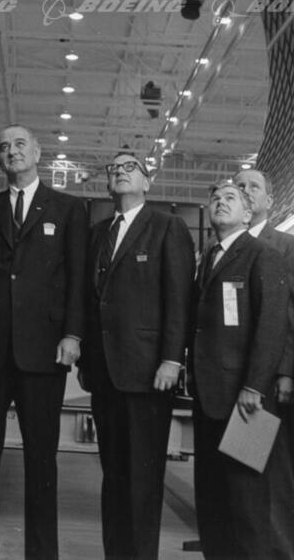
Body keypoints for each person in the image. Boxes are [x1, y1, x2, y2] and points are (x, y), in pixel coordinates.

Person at [0, 123, 87, 560]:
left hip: (44, 353)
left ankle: (43, 553)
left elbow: (78, 279)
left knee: (42, 460)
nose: (12, 151)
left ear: (38, 152)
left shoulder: (68, 209)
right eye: (4, 147)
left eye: (20, 144)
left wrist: (72, 333)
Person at [78, 153, 194, 559]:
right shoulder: (98, 233)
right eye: (114, 169)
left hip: (149, 372)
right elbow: (89, 301)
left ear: (147, 182)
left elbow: (179, 298)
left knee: (143, 479)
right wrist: (85, 359)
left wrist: (172, 358)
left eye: (130, 168)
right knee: (113, 475)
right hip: (104, 373)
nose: (120, 172)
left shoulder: (167, 226)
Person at [187, 180, 294, 559]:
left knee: (248, 500)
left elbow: (272, 326)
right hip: (209, 397)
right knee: (213, 499)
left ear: (248, 213)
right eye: (215, 198)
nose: (220, 202)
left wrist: (254, 386)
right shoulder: (209, 258)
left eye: (230, 198)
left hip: (248, 401)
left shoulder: (263, 255)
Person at [234, 169, 294, 486]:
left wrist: (287, 371)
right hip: (230, 375)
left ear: (269, 201)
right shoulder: (222, 247)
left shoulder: (287, 246)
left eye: (254, 186)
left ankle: (276, 522)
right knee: (239, 467)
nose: (245, 190)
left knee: (267, 468)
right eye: (239, 186)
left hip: (269, 378)